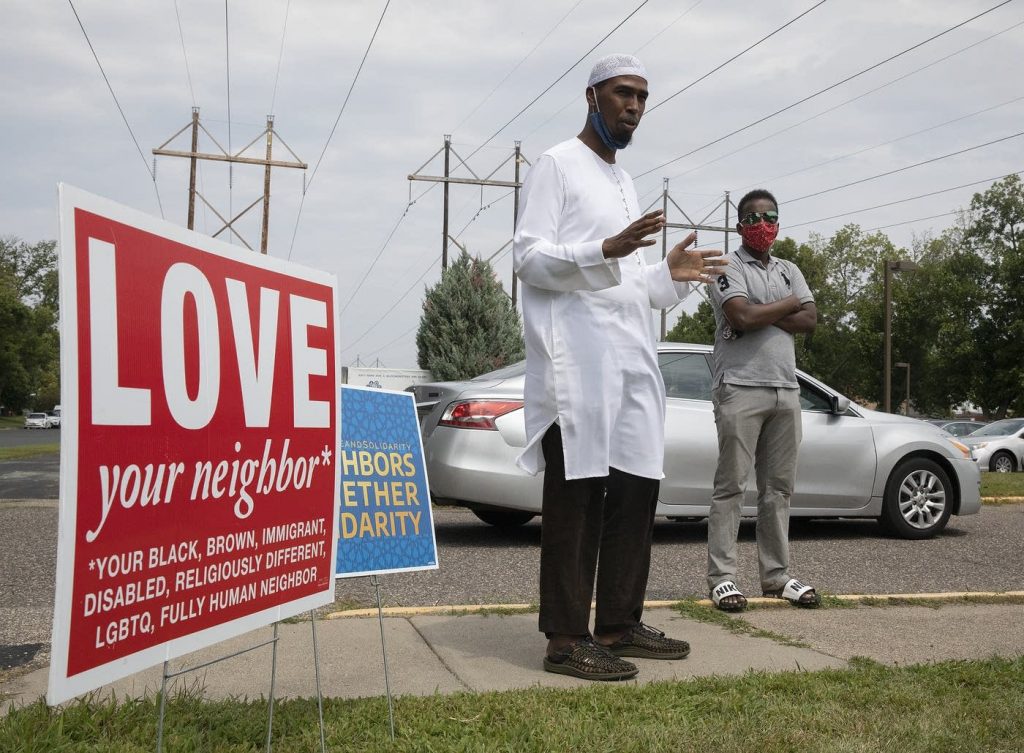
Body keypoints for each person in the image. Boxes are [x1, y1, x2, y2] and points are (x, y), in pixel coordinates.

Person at [513, 53, 725, 681]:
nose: (633, 106)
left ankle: (618, 623)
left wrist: (670, 277)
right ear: (592, 97)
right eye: (622, 94)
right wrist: (604, 247)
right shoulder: (558, 165)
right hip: (577, 367)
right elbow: (529, 259)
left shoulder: (624, 180)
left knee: (636, 491)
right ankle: (565, 638)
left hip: (631, 362)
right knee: (576, 498)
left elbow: (629, 285)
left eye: (641, 98)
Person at [706, 189, 819, 613]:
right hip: (739, 386)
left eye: (770, 216)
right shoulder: (726, 266)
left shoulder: (789, 268)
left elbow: (810, 320)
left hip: (786, 390)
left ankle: (776, 577)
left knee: (777, 490)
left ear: (778, 222)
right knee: (731, 486)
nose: (762, 224)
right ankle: (723, 579)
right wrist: (789, 302)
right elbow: (740, 317)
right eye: (753, 218)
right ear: (740, 226)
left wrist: (765, 308)